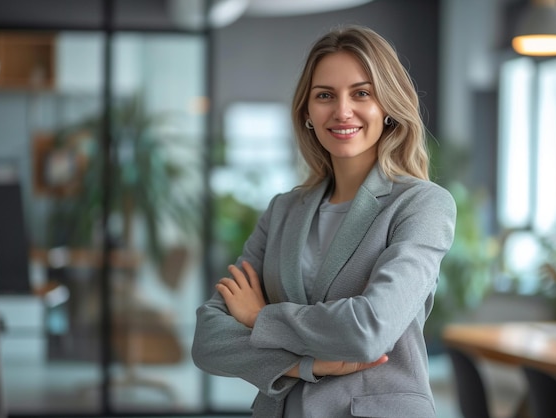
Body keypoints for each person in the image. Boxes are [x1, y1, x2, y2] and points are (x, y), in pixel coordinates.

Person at [192, 24, 456, 418]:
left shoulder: (422, 205)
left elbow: (369, 329)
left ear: (387, 107)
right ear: (308, 113)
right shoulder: (283, 210)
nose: (342, 110)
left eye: (361, 93)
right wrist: (306, 366)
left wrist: (260, 317)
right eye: (325, 96)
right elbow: (208, 339)